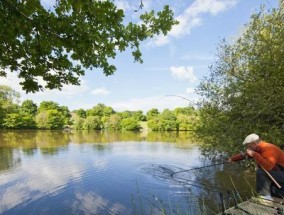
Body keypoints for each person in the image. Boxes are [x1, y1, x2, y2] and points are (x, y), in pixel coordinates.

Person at [230, 133, 284, 199]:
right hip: (280, 173)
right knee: (277, 194)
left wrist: (254, 154)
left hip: (282, 172)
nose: (247, 147)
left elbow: (268, 167)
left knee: (261, 172)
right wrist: (232, 159)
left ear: (254, 144)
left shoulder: (269, 149)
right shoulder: (258, 148)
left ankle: (264, 198)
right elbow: (244, 155)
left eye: (248, 145)